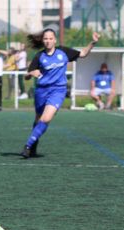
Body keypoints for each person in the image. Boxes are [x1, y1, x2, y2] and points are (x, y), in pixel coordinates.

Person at [20, 29, 100, 158]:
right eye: (45, 39)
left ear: (55, 40)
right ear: (42, 40)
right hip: (41, 91)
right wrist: (31, 73)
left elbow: (83, 53)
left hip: (58, 90)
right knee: (38, 119)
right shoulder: (39, 56)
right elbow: (27, 76)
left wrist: (93, 42)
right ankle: (34, 143)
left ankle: (28, 146)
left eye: (50, 38)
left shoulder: (63, 52)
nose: (48, 41)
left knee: (46, 119)